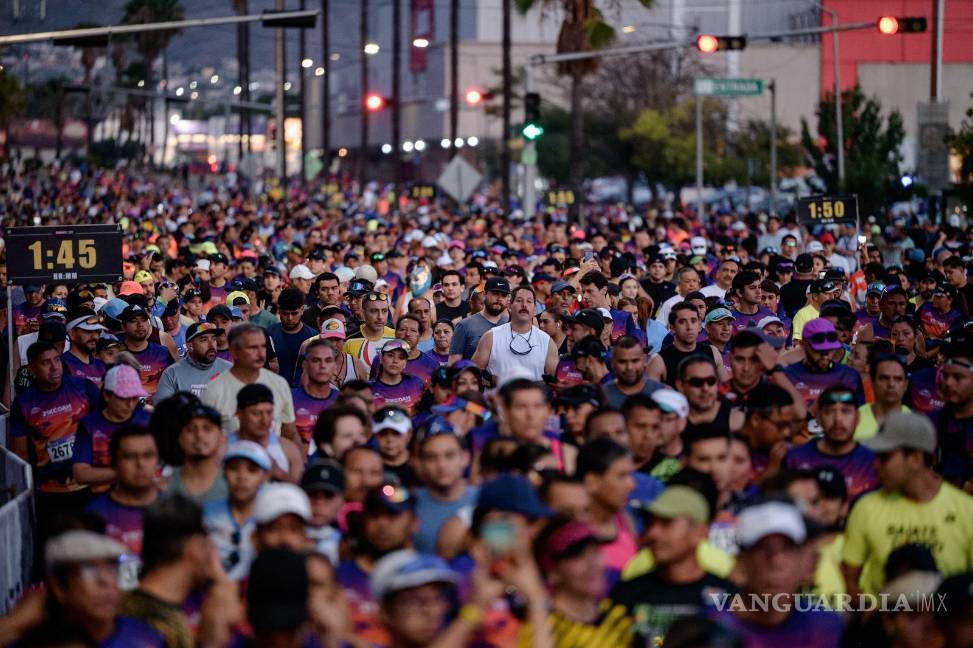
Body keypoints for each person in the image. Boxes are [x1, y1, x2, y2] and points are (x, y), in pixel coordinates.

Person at [842, 412, 973, 596]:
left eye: (884, 457)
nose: (875, 465)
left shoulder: (966, 511)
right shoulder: (865, 508)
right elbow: (849, 578)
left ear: (915, 459)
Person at [610, 485, 734, 647]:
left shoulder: (727, 597)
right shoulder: (626, 594)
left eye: (666, 523)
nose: (653, 533)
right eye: (650, 523)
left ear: (700, 532)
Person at [715, 498, 844, 646]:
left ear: (807, 564)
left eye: (788, 548)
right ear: (741, 564)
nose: (776, 562)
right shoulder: (711, 628)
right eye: (762, 549)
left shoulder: (824, 625)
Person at [11, 341, 101, 522]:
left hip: (90, 484)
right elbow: (21, 455)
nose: (54, 368)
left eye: (57, 360)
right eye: (46, 363)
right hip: (50, 491)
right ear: (32, 369)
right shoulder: (23, 403)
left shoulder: (84, 387)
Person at [29, 530, 164, 646]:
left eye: (112, 568)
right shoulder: (36, 643)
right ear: (58, 586)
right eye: (89, 570)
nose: (106, 581)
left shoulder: (147, 639)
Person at [532, 517, 634, 645]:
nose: (593, 564)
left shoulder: (620, 616)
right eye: (577, 556)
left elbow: (657, 641)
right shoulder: (541, 628)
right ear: (552, 571)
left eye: (595, 552)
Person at [201, 322, 298, 442]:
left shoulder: (279, 384)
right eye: (253, 348)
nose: (261, 353)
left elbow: (289, 433)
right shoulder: (214, 391)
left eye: (263, 346)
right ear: (234, 351)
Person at [784, 385, 878, 500]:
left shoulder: (873, 463)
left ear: (857, 418)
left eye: (846, 411)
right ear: (818, 418)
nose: (838, 419)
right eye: (829, 412)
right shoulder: (795, 459)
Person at [72, 364, 152, 494]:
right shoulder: (90, 424)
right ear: (107, 396)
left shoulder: (148, 420)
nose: (130, 404)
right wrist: (126, 472)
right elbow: (80, 474)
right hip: (102, 502)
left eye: (134, 397)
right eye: (123, 398)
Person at [203, 440, 271, 580]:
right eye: (233, 468)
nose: (242, 477)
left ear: (264, 477)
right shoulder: (205, 513)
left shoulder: (270, 518)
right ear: (224, 473)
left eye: (252, 470)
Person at [576, 438, 638, 588]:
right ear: (592, 482)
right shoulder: (570, 530)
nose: (631, 485)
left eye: (630, 475)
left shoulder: (625, 522)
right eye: (622, 476)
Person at [413, 422, 479, 554]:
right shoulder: (409, 505)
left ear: (465, 458)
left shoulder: (484, 500)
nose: (441, 465)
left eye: (449, 456)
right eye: (431, 457)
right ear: (420, 463)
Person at [472, 286, 557, 383]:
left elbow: (554, 381)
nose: (524, 305)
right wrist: (492, 379)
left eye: (529, 301)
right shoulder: (491, 337)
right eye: (519, 300)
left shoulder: (547, 341)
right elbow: (474, 372)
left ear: (535, 309)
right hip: (498, 396)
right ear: (509, 306)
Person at [783, 317, 864, 415]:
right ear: (803, 344)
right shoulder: (788, 376)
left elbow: (859, 415)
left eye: (830, 349)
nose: (825, 355)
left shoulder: (849, 376)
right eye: (819, 350)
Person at [231, 383, 304, 483]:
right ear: (238, 412)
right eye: (256, 413)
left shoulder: (288, 450)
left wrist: (279, 473)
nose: (264, 420)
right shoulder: (222, 447)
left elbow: (302, 494)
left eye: (269, 412)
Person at [648, 302, 724, 387]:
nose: (689, 327)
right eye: (682, 322)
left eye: (693, 321)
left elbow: (726, 390)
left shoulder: (713, 352)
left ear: (699, 326)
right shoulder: (658, 361)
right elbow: (651, 396)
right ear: (672, 328)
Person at [166, 404, 229, 504]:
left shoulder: (233, 485)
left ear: (221, 437)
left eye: (207, 429)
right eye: (191, 429)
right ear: (179, 437)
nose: (199, 435)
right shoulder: (163, 487)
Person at [155, 322, 233, 401]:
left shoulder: (230, 370)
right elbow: (162, 409)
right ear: (190, 346)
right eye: (204, 340)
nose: (211, 344)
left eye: (214, 339)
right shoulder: (172, 373)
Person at [291, 339, 340, 452]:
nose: (322, 366)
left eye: (328, 360)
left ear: (334, 366)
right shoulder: (289, 400)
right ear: (305, 365)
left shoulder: (343, 402)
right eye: (316, 360)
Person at [118, 304, 174, 400]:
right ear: (123, 327)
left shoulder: (162, 352)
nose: (140, 325)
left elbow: (174, 384)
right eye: (133, 321)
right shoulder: (114, 354)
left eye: (144, 320)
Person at [449, 276, 511, 362]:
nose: (499, 299)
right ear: (485, 295)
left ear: (508, 299)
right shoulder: (464, 325)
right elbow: (454, 364)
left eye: (503, 295)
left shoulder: (511, 324)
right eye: (495, 293)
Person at [679, 355, 744, 435]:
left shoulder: (737, 419)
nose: (705, 388)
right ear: (681, 385)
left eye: (711, 381)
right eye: (696, 382)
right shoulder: (673, 424)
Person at [267, 288, 318, 384]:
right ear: (279, 311)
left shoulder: (313, 337)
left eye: (294, 313)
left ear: (302, 310)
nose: (290, 318)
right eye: (285, 313)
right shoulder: (268, 334)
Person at [856, 353, 910, 440]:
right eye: (884, 378)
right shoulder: (854, 419)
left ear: (906, 384)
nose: (891, 384)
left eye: (898, 379)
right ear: (872, 382)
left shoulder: (915, 424)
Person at [602, 336, 665, 409]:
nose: (629, 367)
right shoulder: (603, 396)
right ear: (612, 362)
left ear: (644, 361)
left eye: (635, 361)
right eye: (622, 361)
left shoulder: (661, 393)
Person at [370, 339, 426, 414]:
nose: (395, 361)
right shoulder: (369, 388)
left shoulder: (416, 383)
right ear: (381, 358)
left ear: (406, 363)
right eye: (390, 355)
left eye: (401, 357)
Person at [343, 291, 396, 370]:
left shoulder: (396, 337)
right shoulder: (349, 340)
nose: (380, 317)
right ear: (363, 312)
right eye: (374, 311)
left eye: (384, 311)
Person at [372, 406, 418, 487]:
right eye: (383, 433)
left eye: (396, 433)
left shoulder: (422, 466)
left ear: (409, 434)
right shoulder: (369, 468)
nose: (390, 439)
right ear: (376, 436)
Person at [63, 309, 108, 386]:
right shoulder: (61, 365)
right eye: (88, 331)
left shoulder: (101, 365)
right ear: (72, 334)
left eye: (97, 331)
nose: (95, 336)